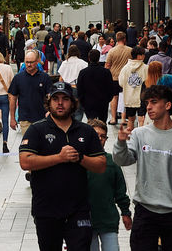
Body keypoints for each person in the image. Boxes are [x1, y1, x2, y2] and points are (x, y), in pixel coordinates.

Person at [113, 85, 172, 251]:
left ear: (168, 105)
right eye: (147, 102)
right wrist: (120, 143)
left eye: (154, 102)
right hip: (145, 211)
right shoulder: (139, 134)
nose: (148, 107)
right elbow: (123, 160)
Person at [19, 82, 107, 251]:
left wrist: (79, 157)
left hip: (78, 209)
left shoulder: (86, 131)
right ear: (48, 102)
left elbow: (101, 165)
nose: (60, 103)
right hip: (46, 210)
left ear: (73, 103)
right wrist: (58, 158)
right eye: (55, 99)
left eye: (65, 99)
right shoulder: (37, 129)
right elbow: (25, 161)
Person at [86, 119, 132, 251]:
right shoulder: (80, 161)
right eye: (95, 136)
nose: (99, 139)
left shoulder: (112, 162)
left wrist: (125, 212)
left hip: (108, 220)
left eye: (103, 136)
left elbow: (120, 191)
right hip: (86, 222)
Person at [9, 49, 53, 129]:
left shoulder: (45, 77)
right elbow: (12, 98)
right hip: (25, 119)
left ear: (37, 62)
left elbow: (51, 96)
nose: (29, 64)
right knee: (28, 141)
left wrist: (50, 111)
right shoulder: (18, 78)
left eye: (31, 62)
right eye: (27, 62)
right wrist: (12, 118)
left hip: (42, 118)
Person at [76, 49, 115, 123]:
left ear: (89, 58)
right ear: (99, 58)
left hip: (88, 103)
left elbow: (80, 89)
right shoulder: (106, 72)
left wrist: (83, 102)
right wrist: (107, 99)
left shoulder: (83, 73)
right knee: (102, 123)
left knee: (91, 123)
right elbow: (110, 88)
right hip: (102, 102)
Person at [104, 32, 131, 124]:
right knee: (124, 97)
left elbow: (107, 65)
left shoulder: (112, 51)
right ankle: (123, 119)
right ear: (124, 39)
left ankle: (113, 118)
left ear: (116, 39)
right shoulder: (130, 50)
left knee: (114, 97)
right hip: (126, 78)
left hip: (114, 77)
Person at [118, 48, 148, 131]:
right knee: (141, 119)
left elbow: (121, 82)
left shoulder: (125, 68)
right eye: (143, 54)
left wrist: (129, 86)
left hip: (129, 97)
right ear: (139, 56)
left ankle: (130, 138)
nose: (144, 56)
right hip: (141, 97)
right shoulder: (146, 68)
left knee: (130, 119)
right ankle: (141, 137)